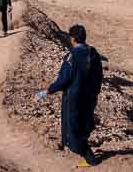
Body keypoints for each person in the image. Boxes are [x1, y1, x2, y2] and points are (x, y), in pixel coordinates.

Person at [35, 25, 103, 167]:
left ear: (72, 38)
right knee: (84, 124)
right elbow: (99, 77)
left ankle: (89, 157)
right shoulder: (94, 53)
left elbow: (64, 79)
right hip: (90, 97)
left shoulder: (72, 56)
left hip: (74, 98)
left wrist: (47, 91)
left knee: (72, 130)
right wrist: (95, 94)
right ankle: (86, 150)